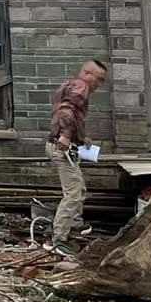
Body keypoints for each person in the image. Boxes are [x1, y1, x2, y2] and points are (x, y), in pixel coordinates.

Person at [47, 59, 108, 255]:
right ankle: (58, 239)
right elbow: (67, 110)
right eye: (99, 79)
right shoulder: (81, 86)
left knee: (79, 187)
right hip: (61, 147)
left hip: (63, 144)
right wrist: (66, 135)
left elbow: (67, 112)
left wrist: (80, 137)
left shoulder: (69, 85)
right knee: (73, 193)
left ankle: (75, 224)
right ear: (87, 74)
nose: (100, 84)